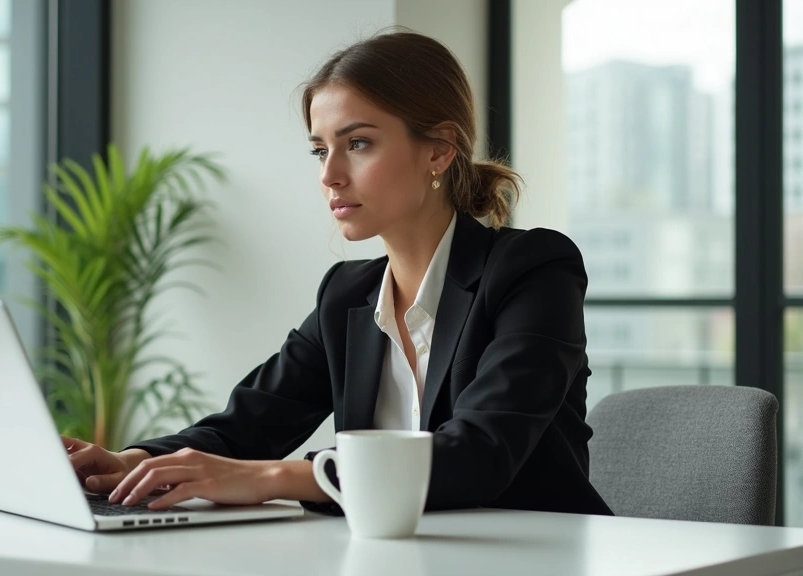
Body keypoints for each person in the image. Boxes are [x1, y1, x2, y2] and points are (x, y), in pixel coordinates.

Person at [64, 29, 613, 517]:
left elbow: (479, 454)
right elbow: (249, 423)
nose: (330, 174)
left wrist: (274, 478)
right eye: (319, 150)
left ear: (440, 151)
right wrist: (128, 460)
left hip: (531, 556)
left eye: (358, 144)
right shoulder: (346, 295)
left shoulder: (533, 270)